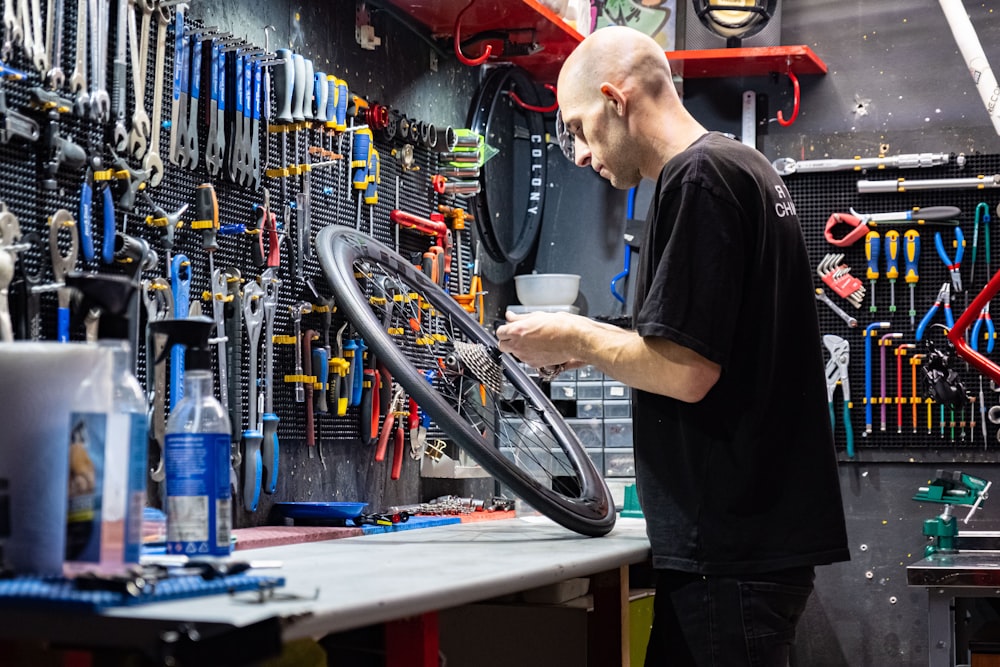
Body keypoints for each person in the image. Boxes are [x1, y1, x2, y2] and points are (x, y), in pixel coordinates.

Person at [495, 25, 849, 667]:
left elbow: (686, 372)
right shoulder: (743, 166)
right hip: (744, 545)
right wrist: (596, 344)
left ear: (614, 99)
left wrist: (576, 331)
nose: (577, 153)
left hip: (729, 550)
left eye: (577, 126)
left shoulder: (698, 179)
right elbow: (703, 342)